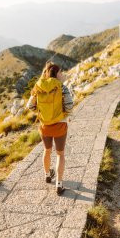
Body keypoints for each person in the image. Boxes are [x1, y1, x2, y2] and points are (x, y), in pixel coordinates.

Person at [27, 62, 73, 195]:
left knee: (47, 150)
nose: (62, 74)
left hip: (44, 126)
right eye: (61, 72)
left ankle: (47, 175)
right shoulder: (61, 87)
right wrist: (63, 114)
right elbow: (69, 105)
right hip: (59, 125)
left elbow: (30, 105)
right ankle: (59, 184)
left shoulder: (38, 87)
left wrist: (41, 113)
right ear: (57, 73)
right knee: (60, 154)